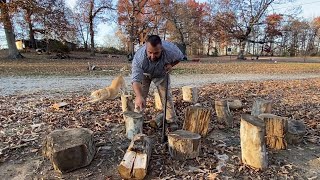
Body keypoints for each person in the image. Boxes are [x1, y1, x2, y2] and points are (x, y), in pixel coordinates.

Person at [131, 35, 184, 126]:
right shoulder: (139, 58)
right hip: (144, 74)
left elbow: (180, 57)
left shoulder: (171, 51)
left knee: (166, 96)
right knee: (140, 97)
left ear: (162, 49)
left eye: (156, 53)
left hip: (161, 74)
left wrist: (171, 64)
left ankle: (171, 120)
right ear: (146, 48)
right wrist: (139, 96)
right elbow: (136, 80)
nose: (152, 56)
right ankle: (136, 123)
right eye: (150, 52)